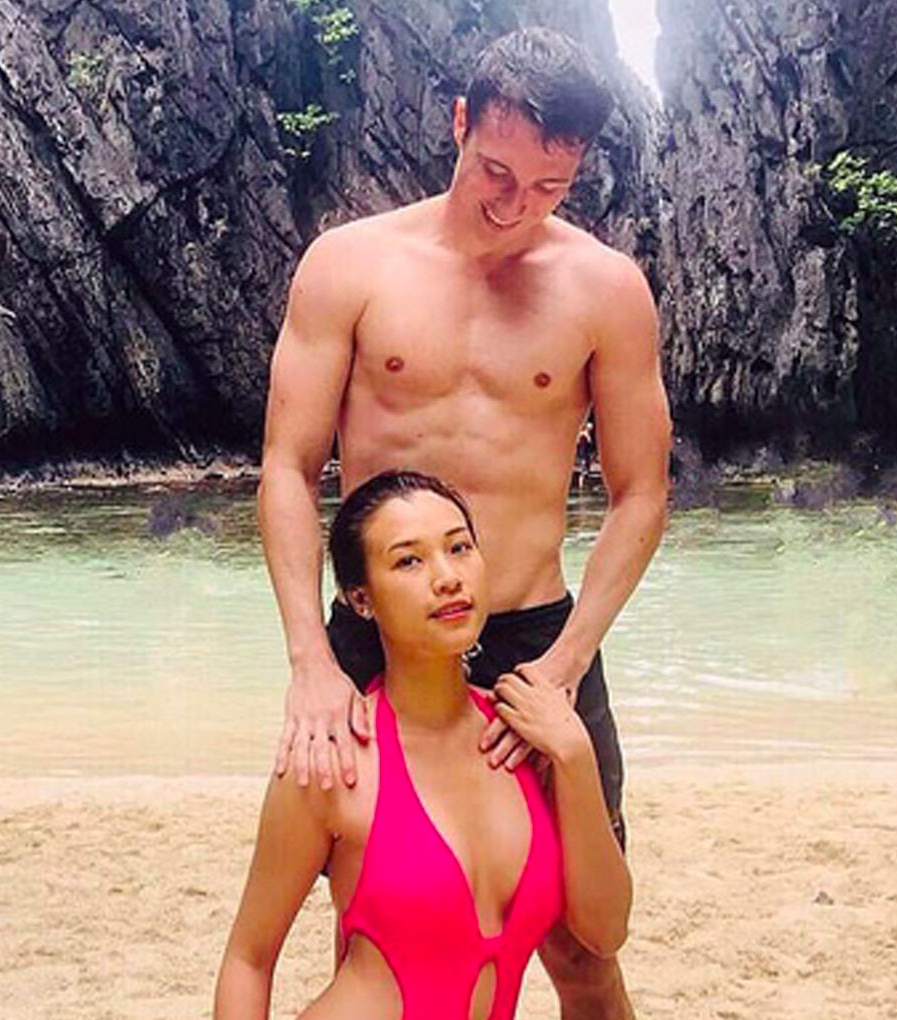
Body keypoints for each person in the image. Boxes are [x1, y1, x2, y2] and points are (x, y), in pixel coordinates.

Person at [255, 27, 671, 1017]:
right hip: (376, 636)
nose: (514, 205)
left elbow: (641, 494)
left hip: (535, 641)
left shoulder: (606, 290)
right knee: (382, 924)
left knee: (583, 948)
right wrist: (311, 660)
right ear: (458, 124)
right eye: (496, 171)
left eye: (548, 187)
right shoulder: (349, 266)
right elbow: (287, 467)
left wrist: (566, 662)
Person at [216, 470, 632, 1018]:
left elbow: (605, 932)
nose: (447, 578)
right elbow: (249, 959)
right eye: (409, 560)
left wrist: (575, 755)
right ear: (361, 598)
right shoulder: (335, 759)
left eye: (459, 548)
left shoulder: (532, 743)